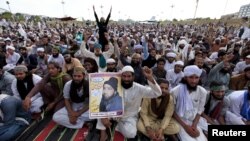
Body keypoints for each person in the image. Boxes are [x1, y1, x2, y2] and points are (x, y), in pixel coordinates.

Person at [97, 66, 162, 141]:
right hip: (113, 113)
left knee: (131, 134)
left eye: (129, 76)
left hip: (129, 116)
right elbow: (101, 99)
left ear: (133, 77)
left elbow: (158, 93)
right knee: (100, 114)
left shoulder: (139, 88)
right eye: (124, 76)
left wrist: (150, 78)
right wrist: (103, 117)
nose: (126, 79)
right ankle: (103, 135)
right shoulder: (115, 86)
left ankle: (117, 125)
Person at [172, 65, 208, 141]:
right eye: (191, 77)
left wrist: (194, 126)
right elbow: (172, 111)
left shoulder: (202, 91)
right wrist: (185, 127)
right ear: (185, 78)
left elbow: (200, 110)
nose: (194, 81)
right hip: (179, 121)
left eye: (196, 78)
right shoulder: (175, 91)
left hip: (194, 121)